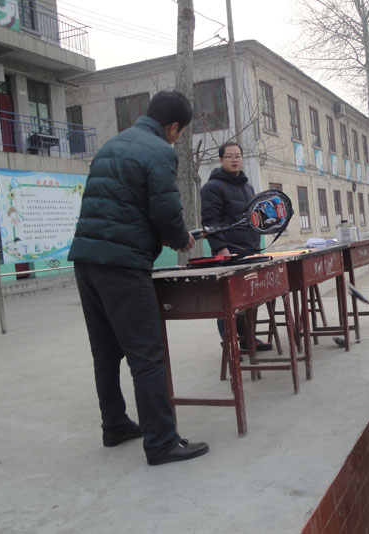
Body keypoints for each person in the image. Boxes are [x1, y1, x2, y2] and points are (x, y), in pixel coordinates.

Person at [68, 90, 209, 466]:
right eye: (180, 133)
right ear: (174, 127)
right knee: (146, 355)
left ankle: (114, 425)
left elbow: (119, 205)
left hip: (86, 261)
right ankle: (161, 442)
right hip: (122, 265)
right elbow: (164, 208)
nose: (177, 139)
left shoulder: (112, 145)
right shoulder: (160, 151)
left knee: (105, 352)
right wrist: (180, 238)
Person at [200, 141, 272, 351]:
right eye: (229, 156)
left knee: (251, 297)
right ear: (221, 160)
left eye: (238, 156)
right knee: (230, 301)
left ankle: (248, 339)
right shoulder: (212, 188)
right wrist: (221, 248)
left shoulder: (248, 187)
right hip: (229, 253)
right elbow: (210, 222)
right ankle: (230, 345)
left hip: (250, 250)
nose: (234, 160)